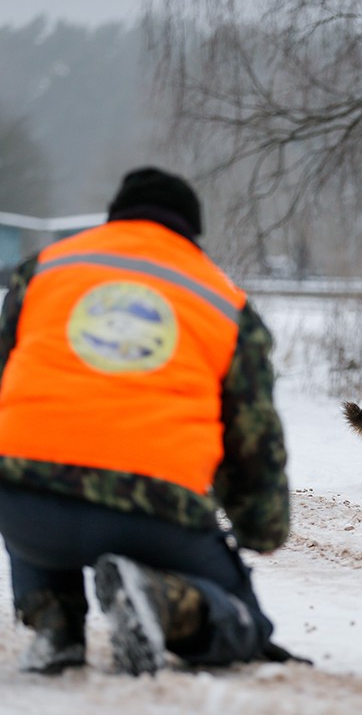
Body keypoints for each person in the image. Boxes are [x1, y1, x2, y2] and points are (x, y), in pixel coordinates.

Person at [0, 166, 304, 675]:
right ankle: (165, 602)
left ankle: (54, 621)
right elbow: (252, 437)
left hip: (23, 504)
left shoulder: (46, 269)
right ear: (191, 230)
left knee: (32, 463)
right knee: (246, 624)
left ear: (115, 216)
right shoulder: (223, 302)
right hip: (153, 512)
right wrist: (261, 529)